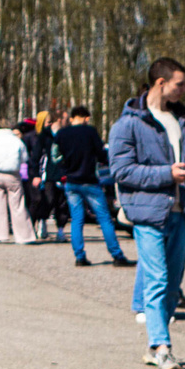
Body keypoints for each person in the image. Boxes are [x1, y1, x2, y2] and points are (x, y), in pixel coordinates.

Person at [109, 57, 185, 369]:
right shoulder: (128, 124)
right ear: (161, 83)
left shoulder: (184, 120)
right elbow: (121, 171)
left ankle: (154, 348)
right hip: (149, 214)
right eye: (180, 84)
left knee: (173, 285)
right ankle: (163, 349)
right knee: (157, 280)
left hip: (184, 213)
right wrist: (167, 174)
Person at [54, 105, 128, 266]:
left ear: (72, 117)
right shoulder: (90, 132)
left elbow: (55, 157)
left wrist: (65, 168)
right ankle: (117, 255)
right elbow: (101, 154)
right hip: (90, 181)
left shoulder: (62, 134)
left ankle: (79, 257)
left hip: (71, 182)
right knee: (104, 219)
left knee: (77, 219)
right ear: (86, 118)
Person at [0, 117, 35, 244]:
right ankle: (24, 237)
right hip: (13, 175)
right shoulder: (16, 140)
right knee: (18, 206)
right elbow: (24, 158)